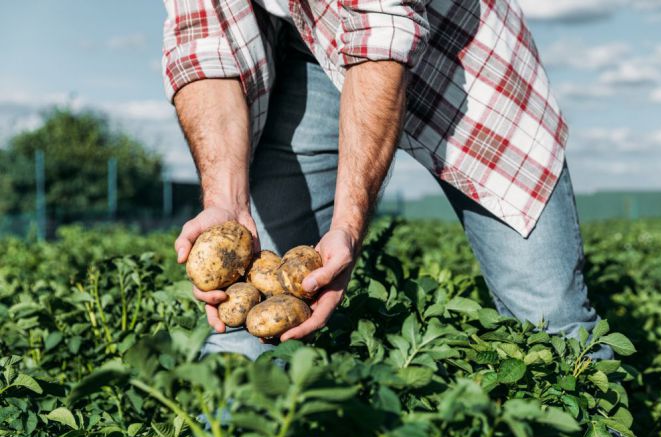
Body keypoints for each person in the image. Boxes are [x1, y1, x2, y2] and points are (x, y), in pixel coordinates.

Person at [163, 0, 612, 360]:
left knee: (551, 322)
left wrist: (347, 226)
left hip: (459, 53)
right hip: (306, 49)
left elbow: (381, 32)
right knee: (242, 333)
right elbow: (204, 43)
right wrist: (225, 200)